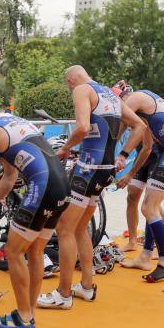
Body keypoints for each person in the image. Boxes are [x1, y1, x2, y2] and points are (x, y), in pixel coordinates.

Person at [37, 65, 146, 310]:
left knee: (64, 227)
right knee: (80, 228)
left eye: (67, 86)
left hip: (87, 169)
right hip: (104, 169)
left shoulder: (82, 90)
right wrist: (122, 154)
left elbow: (83, 127)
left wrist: (65, 150)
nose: (69, 89)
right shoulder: (110, 94)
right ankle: (86, 285)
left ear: (70, 80)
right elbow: (140, 126)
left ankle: (63, 294)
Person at [0, 114, 69, 328]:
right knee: (36, 250)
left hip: (43, 186)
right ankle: (29, 312)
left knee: (13, 252)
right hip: (62, 185)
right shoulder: (14, 123)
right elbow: (9, 179)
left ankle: (23, 317)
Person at [113, 81, 164, 282]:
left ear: (123, 98)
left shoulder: (135, 98)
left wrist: (120, 153)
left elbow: (119, 126)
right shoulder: (143, 115)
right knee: (149, 206)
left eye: (115, 102)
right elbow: (146, 146)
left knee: (148, 207)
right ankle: (146, 255)